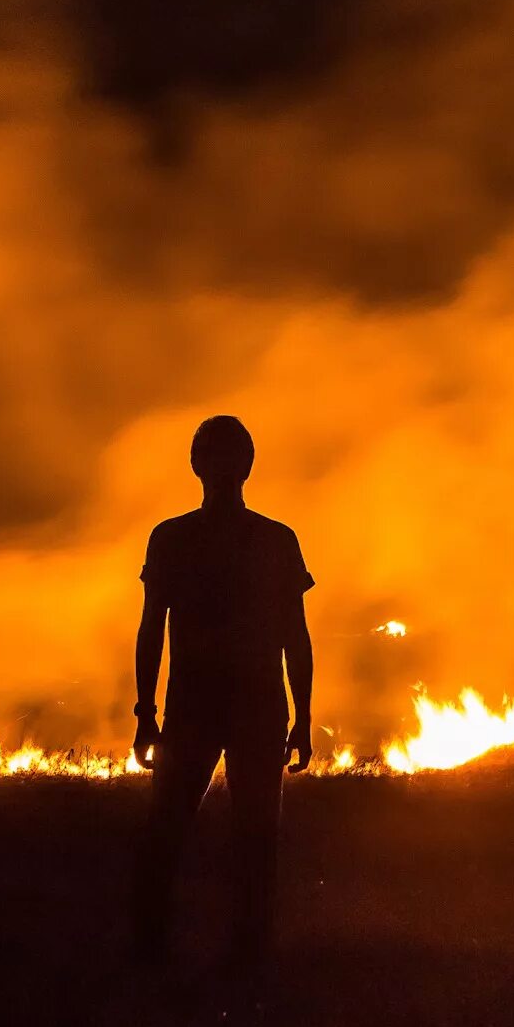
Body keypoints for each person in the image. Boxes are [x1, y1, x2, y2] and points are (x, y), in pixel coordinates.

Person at [131, 414, 314, 977]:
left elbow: (294, 634)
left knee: (230, 835)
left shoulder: (192, 538)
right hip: (217, 705)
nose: (221, 468)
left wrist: (303, 716)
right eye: (217, 456)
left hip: (232, 706)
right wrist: (145, 711)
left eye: (226, 457)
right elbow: (151, 627)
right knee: (189, 832)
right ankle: (177, 952)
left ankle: (219, 954)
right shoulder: (254, 539)